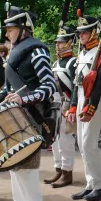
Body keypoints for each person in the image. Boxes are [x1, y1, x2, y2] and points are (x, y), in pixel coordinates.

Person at [0, 5, 55, 201]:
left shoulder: (37, 50)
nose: (6, 33)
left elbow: (48, 86)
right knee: (15, 162)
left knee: (26, 162)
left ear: (24, 28)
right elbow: (9, 89)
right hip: (16, 113)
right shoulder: (15, 51)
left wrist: (24, 100)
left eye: (10, 28)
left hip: (34, 113)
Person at [69, 0, 101, 201]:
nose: (82, 36)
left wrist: (92, 106)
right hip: (83, 99)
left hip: (96, 100)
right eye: (80, 32)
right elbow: (77, 82)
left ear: (94, 31)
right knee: (81, 144)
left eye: (85, 32)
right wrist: (75, 105)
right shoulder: (82, 53)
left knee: (88, 143)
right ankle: (91, 182)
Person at [43, 23, 77, 188]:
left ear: (71, 42)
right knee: (55, 141)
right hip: (55, 105)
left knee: (65, 141)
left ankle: (67, 171)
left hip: (66, 104)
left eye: (61, 42)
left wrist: (71, 106)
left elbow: (75, 87)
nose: (58, 45)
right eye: (57, 42)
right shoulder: (55, 64)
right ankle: (58, 168)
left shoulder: (73, 63)